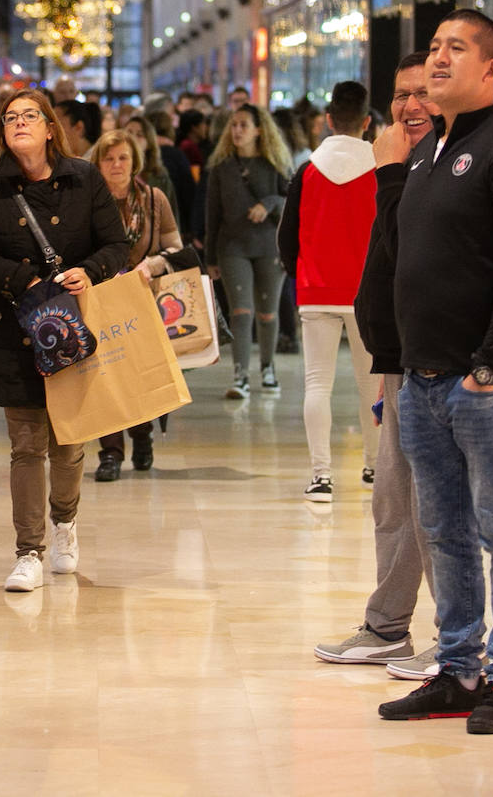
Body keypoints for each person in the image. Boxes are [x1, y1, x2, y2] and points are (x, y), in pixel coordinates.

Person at [378, 9, 493, 736]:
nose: (439, 59)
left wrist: (487, 365)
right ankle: (457, 668)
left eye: (456, 48)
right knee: (443, 528)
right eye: (436, 47)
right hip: (422, 380)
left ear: (490, 69)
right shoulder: (427, 151)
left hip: (487, 386)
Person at [0, 89, 127, 592]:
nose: (20, 123)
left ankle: (64, 523)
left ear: (50, 127)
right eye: (11, 117)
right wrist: (21, 278)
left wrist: (90, 271)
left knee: (69, 443)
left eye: (30, 116)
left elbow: (115, 244)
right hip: (15, 331)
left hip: (72, 329)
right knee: (27, 445)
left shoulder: (85, 178)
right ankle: (28, 550)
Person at [316, 54, 440, 674]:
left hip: (444, 363)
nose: (410, 106)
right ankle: (388, 624)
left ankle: (458, 636)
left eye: (423, 92)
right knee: (393, 498)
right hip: (399, 357)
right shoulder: (400, 162)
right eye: (400, 94)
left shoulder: (451, 164)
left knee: (442, 506)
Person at [277, 81, 379, 503]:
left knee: (317, 385)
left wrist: (298, 271)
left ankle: (321, 476)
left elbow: (287, 236)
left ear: (328, 121)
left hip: (316, 288)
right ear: (368, 123)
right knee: (369, 385)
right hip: (366, 291)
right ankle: (373, 467)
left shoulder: (308, 170)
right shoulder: (380, 168)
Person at [89, 129, 183, 481]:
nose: (115, 164)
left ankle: (142, 438)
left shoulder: (154, 199)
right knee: (106, 376)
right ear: (98, 163)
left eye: (123, 158)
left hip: (144, 297)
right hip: (101, 294)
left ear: (135, 162)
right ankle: (110, 452)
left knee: (141, 375)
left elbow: (175, 247)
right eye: (108, 158)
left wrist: (152, 264)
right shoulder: (88, 200)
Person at [204, 104, 292, 399]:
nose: (237, 130)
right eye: (234, 125)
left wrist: (268, 203)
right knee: (240, 313)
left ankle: (268, 368)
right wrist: (211, 259)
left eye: (243, 125)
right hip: (232, 247)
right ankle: (240, 375)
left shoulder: (275, 163)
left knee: (267, 314)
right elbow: (212, 213)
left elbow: (291, 203)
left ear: (258, 130)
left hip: (270, 246)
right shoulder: (222, 166)